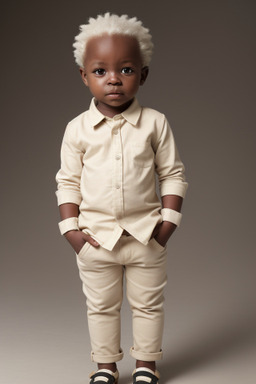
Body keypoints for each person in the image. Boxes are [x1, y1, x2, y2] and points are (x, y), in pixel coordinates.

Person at [55, 12, 188, 384]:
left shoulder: (156, 123)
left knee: (148, 305)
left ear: (143, 75)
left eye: (126, 69)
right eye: (100, 71)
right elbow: (68, 181)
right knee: (100, 306)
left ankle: (147, 364)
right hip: (95, 239)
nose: (113, 78)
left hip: (147, 237)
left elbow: (172, 174)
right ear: (84, 75)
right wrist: (72, 233)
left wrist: (167, 226)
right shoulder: (76, 130)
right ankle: (106, 367)